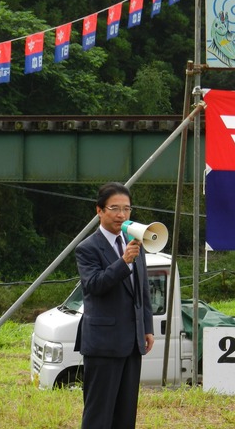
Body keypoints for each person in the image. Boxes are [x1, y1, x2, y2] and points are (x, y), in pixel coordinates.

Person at [74, 182, 154, 429]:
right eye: (115, 208)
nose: (122, 215)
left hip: (131, 342)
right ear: (100, 211)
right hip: (103, 343)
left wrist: (147, 328)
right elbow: (95, 285)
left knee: (125, 413)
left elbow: (142, 290)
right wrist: (123, 261)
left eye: (127, 209)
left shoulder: (135, 243)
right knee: (99, 413)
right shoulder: (87, 248)